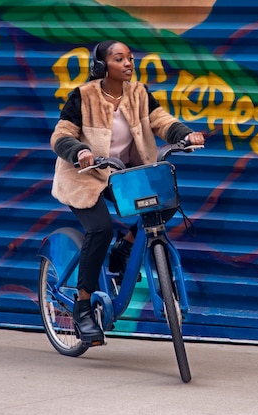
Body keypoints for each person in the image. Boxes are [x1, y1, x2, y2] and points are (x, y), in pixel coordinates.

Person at [49, 40, 205, 344]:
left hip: (121, 173)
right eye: (120, 59)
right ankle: (82, 306)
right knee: (100, 229)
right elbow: (61, 135)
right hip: (84, 176)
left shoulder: (139, 93)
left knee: (166, 199)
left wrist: (185, 134)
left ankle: (127, 246)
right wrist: (79, 150)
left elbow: (162, 122)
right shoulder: (83, 97)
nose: (128, 64)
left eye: (130, 58)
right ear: (102, 66)